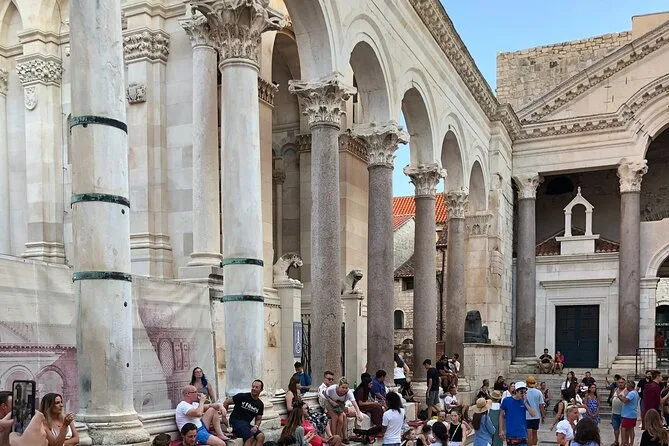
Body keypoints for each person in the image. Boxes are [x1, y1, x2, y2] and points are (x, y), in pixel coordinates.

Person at [322, 377, 363, 444]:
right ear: (339, 386)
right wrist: (331, 401)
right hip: (329, 402)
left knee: (341, 419)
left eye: (346, 388)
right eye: (343, 387)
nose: (344, 389)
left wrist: (358, 413)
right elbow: (324, 393)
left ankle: (338, 438)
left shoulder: (349, 392)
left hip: (340, 404)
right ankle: (333, 437)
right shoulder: (332, 388)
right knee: (335, 417)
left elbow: (354, 403)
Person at [224, 380, 265, 446]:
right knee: (250, 437)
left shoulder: (260, 404)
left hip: (246, 425)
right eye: (253, 386)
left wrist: (256, 426)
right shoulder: (242, 396)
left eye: (256, 387)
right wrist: (224, 417)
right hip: (235, 422)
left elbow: (258, 419)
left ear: (261, 390)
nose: (254, 388)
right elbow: (227, 402)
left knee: (261, 436)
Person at [499, 381, 537, 446]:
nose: (523, 394)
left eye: (525, 392)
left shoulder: (524, 401)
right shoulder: (507, 400)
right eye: (521, 392)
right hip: (511, 434)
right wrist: (501, 429)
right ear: (516, 391)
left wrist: (525, 403)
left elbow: (533, 414)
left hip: (522, 434)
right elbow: (501, 415)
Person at [524, 377, 544, 446]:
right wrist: (543, 415)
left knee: (529, 435)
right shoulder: (539, 392)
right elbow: (541, 405)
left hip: (527, 416)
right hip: (536, 416)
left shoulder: (525, 392)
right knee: (535, 433)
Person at [619, 381, 639, 446]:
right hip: (632, 414)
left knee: (623, 428)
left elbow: (625, 400)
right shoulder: (635, 392)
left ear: (630, 386)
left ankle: (623, 442)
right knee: (630, 429)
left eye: (627, 385)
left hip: (628, 415)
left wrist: (619, 397)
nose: (626, 386)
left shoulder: (631, 393)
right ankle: (630, 443)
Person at [611, 377, 626, 446]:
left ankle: (623, 442)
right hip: (614, 412)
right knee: (615, 428)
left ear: (625, 383)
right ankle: (616, 441)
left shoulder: (626, 391)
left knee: (624, 429)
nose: (620, 384)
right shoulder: (615, 389)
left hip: (623, 413)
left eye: (622, 382)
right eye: (619, 382)